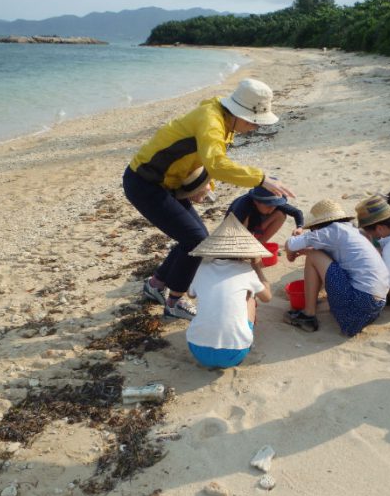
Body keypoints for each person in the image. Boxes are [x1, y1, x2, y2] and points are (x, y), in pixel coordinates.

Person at [122, 78, 294, 320]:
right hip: (144, 183)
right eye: (254, 123)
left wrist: (204, 185)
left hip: (169, 184)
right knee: (195, 239)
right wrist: (261, 179)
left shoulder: (225, 120)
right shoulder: (211, 121)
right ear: (239, 113)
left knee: (193, 237)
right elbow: (217, 162)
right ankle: (174, 303)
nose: (255, 128)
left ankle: (156, 284)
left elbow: (207, 160)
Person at [283, 199, 389, 336]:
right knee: (317, 255)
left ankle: (308, 315)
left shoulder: (330, 231)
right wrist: (302, 248)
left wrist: (294, 250)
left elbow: (290, 245)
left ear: (318, 226)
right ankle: (314, 304)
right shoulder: (351, 230)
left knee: (313, 255)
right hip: (375, 306)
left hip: (358, 302)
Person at [186, 213, 272, 368]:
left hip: (197, 350)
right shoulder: (246, 270)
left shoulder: (203, 268)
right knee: (250, 298)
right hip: (234, 354)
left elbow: (190, 294)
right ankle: (242, 333)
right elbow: (267, 297)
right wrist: (257, 268)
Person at [227, 185, 304, 242]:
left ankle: (259, 245)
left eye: (274, 205)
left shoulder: (274, 202)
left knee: (281, 215)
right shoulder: (243, 205)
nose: (272, 209)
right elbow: (232, 230)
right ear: (256, 201)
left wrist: (299, 227)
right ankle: (248, 248)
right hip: (235, 229)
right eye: (269, 206)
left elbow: (297, 212)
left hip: (257, 226)